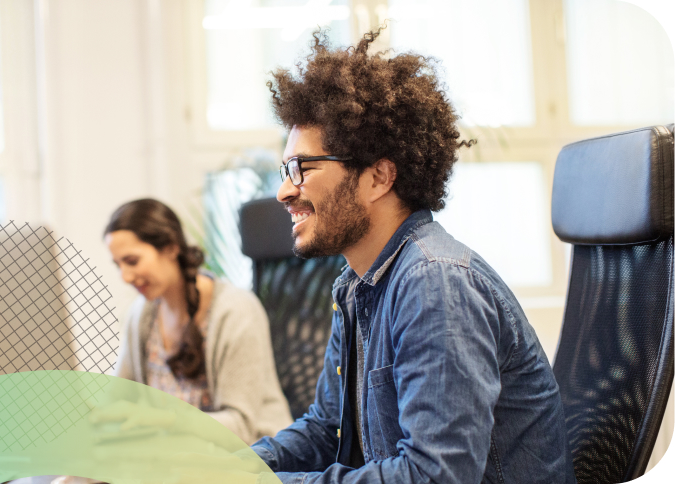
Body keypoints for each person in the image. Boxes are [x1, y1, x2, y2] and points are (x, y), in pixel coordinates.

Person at [248, 29, 576, 484]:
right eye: (286, 170)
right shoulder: (356, 285)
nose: (285, 190)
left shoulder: (435, 283)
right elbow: (328, 430)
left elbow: (434, 475)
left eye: (302, 168)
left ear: (379, 177)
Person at [104, 198, 292, 445]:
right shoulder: (142, 313)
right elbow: (120, 400)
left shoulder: (236, 311)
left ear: (171, 248)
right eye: (118, 265)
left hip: (251, 458)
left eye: (132, 261)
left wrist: (162, 420)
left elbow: (241, 428)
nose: (125, 276)